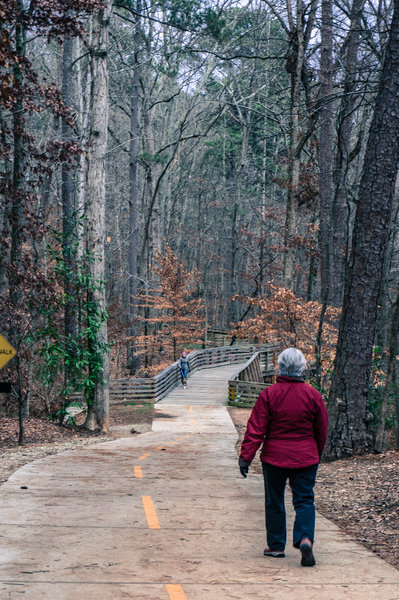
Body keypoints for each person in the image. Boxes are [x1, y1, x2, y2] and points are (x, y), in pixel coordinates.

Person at [239, 347, 328, 567]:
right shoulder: (313, 395)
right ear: (302, 367)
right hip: (306, 457)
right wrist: (317, 452)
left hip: (274, 458)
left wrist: (246, 457)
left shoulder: (269, 394)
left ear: (281, 366)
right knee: (305, 499)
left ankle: (277, 546)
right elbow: (322, 429)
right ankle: (305, 538)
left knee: (274, 500)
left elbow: (256, 428)